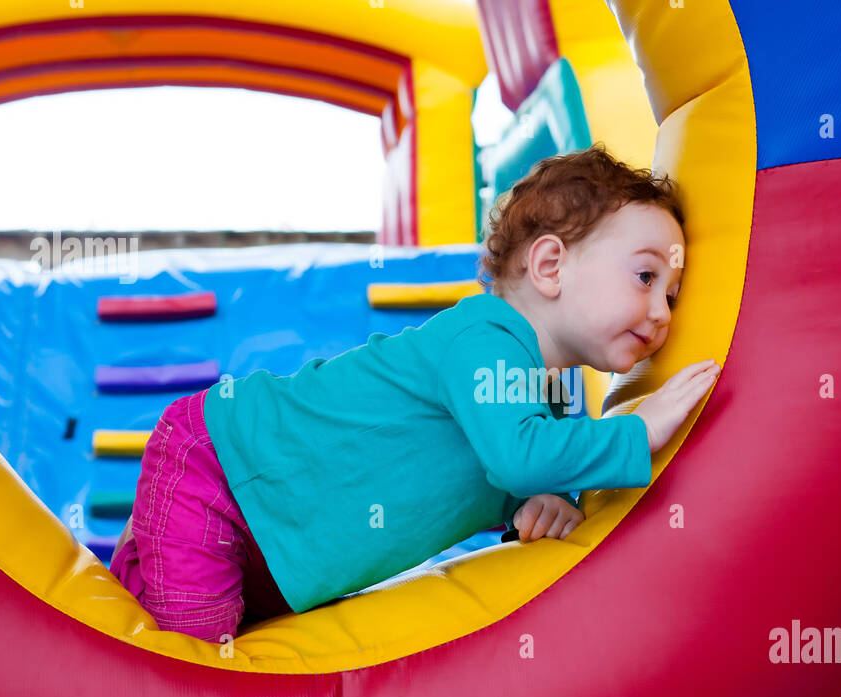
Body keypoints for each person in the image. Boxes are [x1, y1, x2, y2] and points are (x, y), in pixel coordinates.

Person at [109, 143, 721, 642]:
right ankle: (148, 547)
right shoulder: (485, 338)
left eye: (671, 293)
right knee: (192, 661)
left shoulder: (555, 394)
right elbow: (515, 455)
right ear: (551, 266)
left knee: (218, 632)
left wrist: (546, 502)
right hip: (218, 471)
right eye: (645, 276)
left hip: (286, 555)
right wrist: (639, 429)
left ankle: (144, 557)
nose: (662, 312)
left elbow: (519, 474)